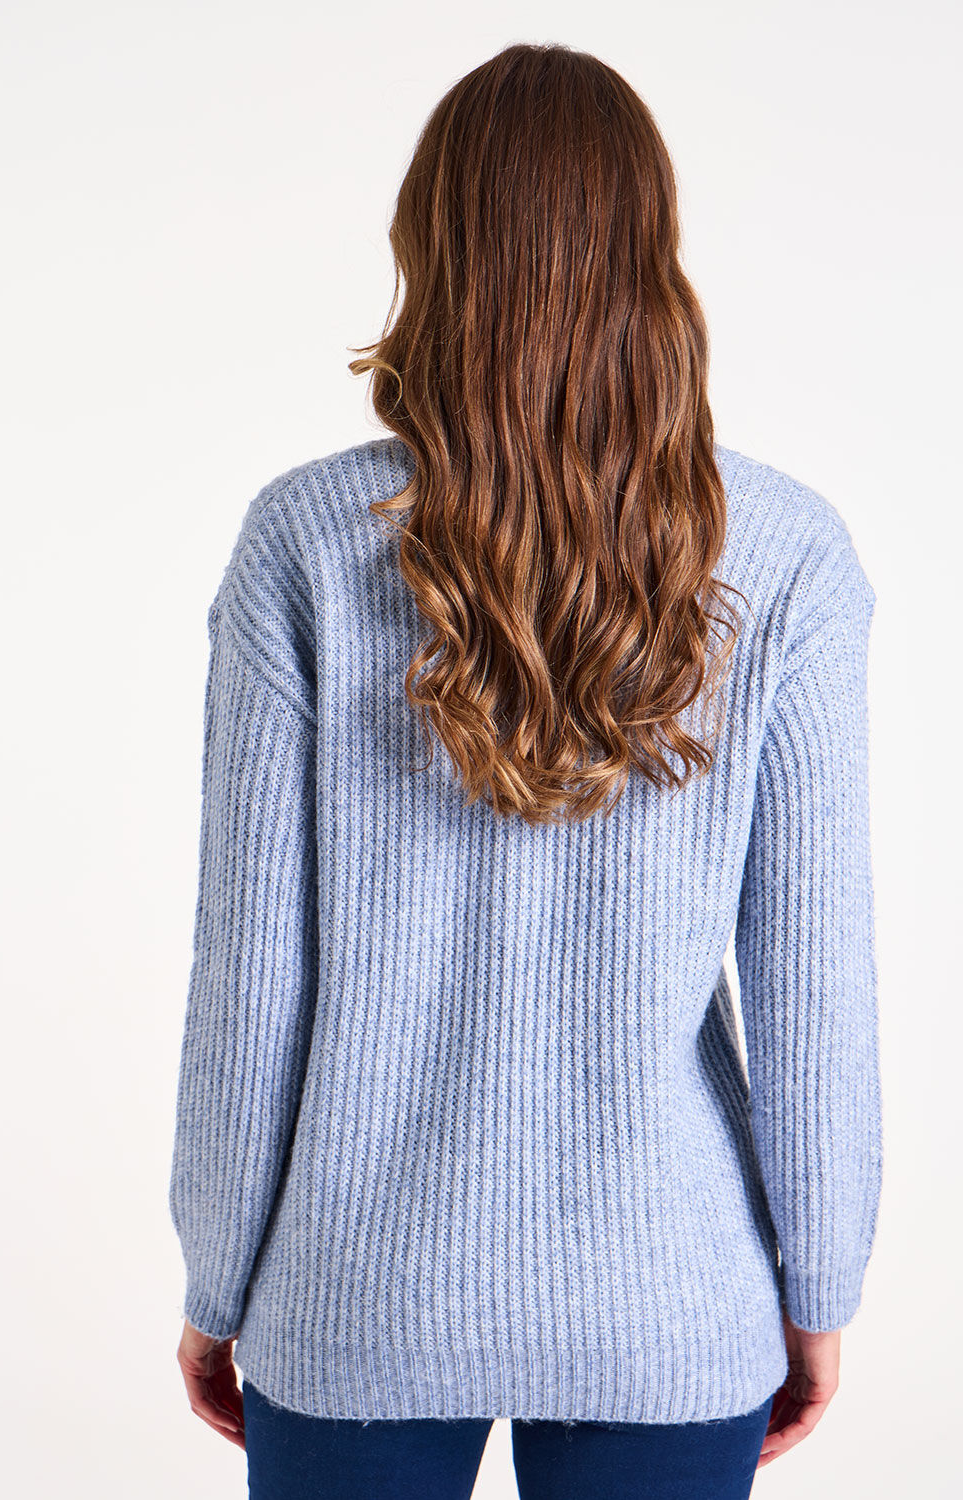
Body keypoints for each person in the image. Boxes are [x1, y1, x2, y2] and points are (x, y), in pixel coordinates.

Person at [168, 40, 881, 1500]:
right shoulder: (789, 555)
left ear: (426, 250)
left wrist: (218, 1279)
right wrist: (820, 1286)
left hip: (355, 1296)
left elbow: (249, 979)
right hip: (670, 1300)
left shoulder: (304, 545)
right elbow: (815, 986)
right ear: (652, 258)